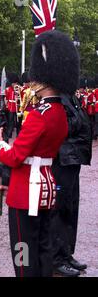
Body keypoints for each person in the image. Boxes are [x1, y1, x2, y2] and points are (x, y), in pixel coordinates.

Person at [0, 30, 79, 277]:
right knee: (43, 249)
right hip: (47, 187)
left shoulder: (39, 115)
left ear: (44, 78)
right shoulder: (59, 114)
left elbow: (16, 156)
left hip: (25, 192)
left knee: (23, 253)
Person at [51, 82, 93, 276]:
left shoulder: (71, 97)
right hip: (63, 159)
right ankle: (56, 258)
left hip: (73, 159)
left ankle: (66, 253)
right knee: (59, 209)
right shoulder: (59, 99)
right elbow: (65, 127)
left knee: (71, 208)